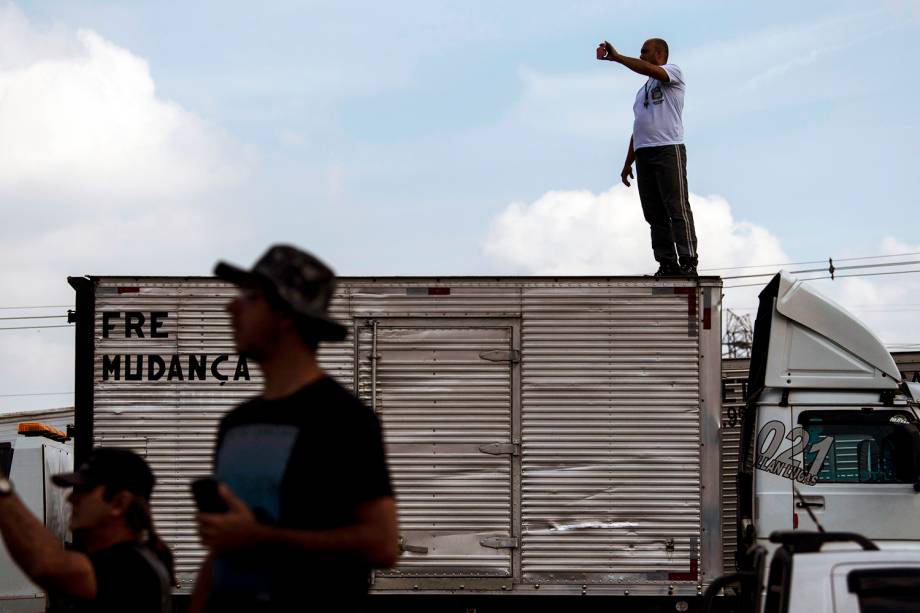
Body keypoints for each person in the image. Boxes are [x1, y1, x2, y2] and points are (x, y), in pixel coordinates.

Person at [190, 245, 399, 613]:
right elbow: (223, 549)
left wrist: (259, 537)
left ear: (285, 313)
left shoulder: (343, 419)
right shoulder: (236, 423)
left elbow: (380, 544)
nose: (231, 307)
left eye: (251, 298)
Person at [0, 447, 174, 613]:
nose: (70, 498)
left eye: (85, 490)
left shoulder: (131, 569)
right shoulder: (134, 557)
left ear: (118, 503)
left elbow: (46, 565)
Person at [600, 37, 699, 276]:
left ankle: (687, 260)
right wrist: (627, 162)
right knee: (653, 212)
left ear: (659, 54)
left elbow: (645, 68)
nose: (641, 55)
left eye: (645, 51)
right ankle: (667, 262)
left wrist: (619, 58)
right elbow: (638, 127)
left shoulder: (672, 72)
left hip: (668, 148)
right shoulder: (641, 91)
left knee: (676, 206)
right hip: (644, 152)